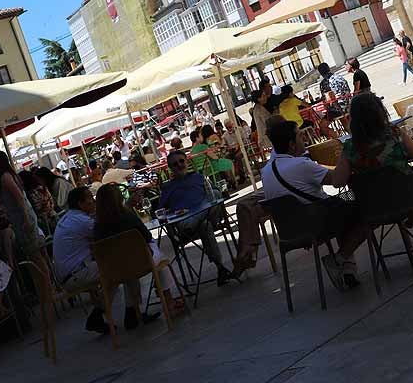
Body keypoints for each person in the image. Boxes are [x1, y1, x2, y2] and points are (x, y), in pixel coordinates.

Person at [337, 92, 413, 266]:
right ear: (380, 112)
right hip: (406, 199)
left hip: (373, 208)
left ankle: (342, 257)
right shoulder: (394, 134)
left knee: (347, 199)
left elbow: (338, 182)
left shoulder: (350, 147)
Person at [262, 120, 366, 290]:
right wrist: (345, 154)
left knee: (344, 206)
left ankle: (349, 269)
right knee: (361, 199)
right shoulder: (300, 164)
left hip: (292, 230)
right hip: (319, 221)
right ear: (291, 144)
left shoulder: (265, 172)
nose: (304, 138)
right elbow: (338, 181)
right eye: (299, 135)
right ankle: (341, 257)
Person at [93, 184, 182, 325]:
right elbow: (146, 236)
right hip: (142, 263)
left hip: (114, 270)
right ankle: (168, 300)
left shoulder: (97, 227)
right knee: (159, 255)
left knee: (128, 264)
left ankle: (133, 311)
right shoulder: (127, 217)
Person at [159, 150, 235, 285]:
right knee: (205, 226)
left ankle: (198, 218)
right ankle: (220, 268)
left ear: (186, 161)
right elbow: (161, 212)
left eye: (181, 161)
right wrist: (172, 233)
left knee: (214, 197)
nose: (179, 165)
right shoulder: (167, 187)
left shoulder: (199, 177)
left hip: (206, 216)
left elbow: (216, 194)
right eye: (175, 164)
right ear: (171, 168)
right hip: (186, 224)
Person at [51, 186, 110, 333]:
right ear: (80, 203)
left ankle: (99, 313)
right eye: (90, 198)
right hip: (75, 275)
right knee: (119, 267)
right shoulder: (82, 221)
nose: (93, 201)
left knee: (113, 267)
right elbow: (106, 234)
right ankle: (128, 312)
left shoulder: (68, 217)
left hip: (67, 275)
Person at [0, 150, 47, 275]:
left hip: (22, 218)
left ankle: (45, 285)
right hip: (23, 217)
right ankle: (46, 284)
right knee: (36, 254)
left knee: (34, 255)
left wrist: (26, 219)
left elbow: (19, 198)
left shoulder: (5, 177)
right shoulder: (11, 175)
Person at [249, 82, 281, 150]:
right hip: (267, 139)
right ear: (259, 99)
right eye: (263, 96)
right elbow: (268, 122)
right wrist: (275, 114)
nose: (266, 97)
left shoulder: (259, 108)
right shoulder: (259, 110)